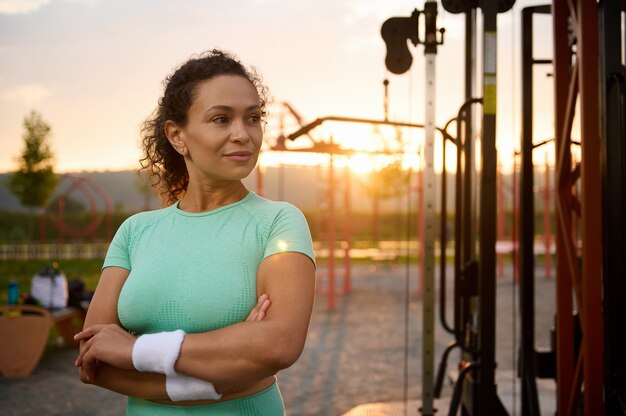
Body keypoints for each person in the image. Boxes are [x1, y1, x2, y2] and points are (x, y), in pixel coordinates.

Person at [74, 49, 316, 415]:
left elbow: (278, 345)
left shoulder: (279, 222)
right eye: (221, 119)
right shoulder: (135, 232)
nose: (243, 134)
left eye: (253, 118)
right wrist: (228, 368)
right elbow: (95, 361)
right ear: (177, 136)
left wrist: (135, 350)